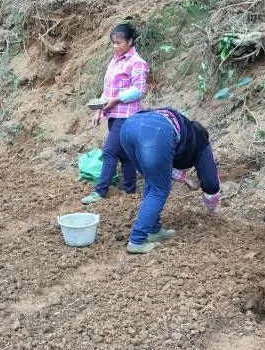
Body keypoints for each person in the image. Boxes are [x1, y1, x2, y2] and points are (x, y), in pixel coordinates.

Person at [120, 108, 221, 254]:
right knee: (159, 190)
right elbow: (211, 183)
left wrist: (185, 179)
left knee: (152, 181)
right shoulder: (201, 141)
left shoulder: (184, 129)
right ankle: (137, 240)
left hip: (129, 126)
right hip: (156, 130)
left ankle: (154, 230)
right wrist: (213, 208)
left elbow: (161, 164)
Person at [81, 23, 149, 205]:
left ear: (130, 41)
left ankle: (99, 191)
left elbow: (139, 89)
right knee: (125, 155)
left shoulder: (137, 63)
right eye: (113, 43)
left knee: (109, 151)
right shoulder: (115, 60)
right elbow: (108, 90)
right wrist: (100, 110)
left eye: (119, 42)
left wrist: (116, 100)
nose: (115, 46)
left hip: (127, 116)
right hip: (113, 114)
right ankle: (130, 191)